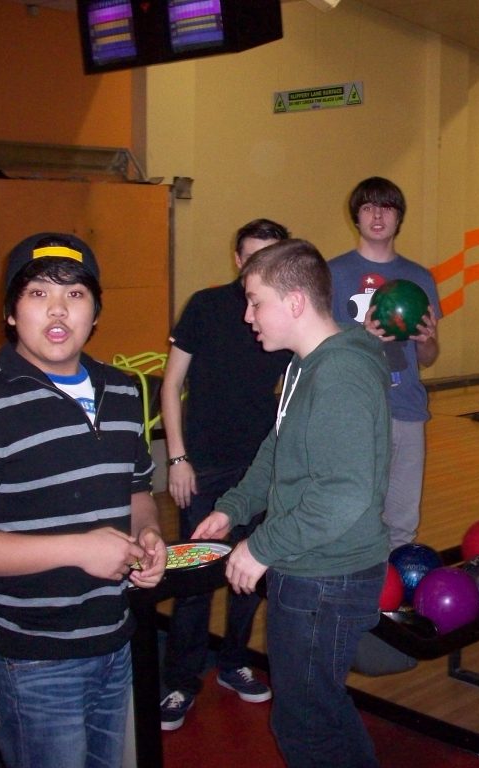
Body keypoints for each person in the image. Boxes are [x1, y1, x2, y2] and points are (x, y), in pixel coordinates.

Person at [0, 232, 167, 768]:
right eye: (38, 293)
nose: (58, 309)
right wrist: (78, 549)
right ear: (11, 313)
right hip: (30, 657)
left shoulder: (124, 391)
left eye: (75, 294)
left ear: (95, 312)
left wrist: (148, 532)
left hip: (114, 635)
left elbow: (136, 488)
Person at [193, 238, 391, 767]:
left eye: (255, 301)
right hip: (311, 567)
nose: (248, 316)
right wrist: (234, 507)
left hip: (327, 577)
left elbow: (343, 493)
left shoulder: (341, 373)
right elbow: (278, 446)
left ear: (296, 301)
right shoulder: (309, 364)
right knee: (317, 711)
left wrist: (261, 546)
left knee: (305, 723)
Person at [159, 218, 291, 730]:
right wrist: (177, 458)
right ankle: (180, 679)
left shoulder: (283, 315)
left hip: (260, 468)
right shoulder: (205, 305)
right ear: (237, 260)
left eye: (271, 256)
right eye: (252, 256)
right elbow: (171, 384)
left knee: (248, 571)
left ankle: (234, 661)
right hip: (203, 466)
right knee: (194, 580)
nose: (260, 265)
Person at [328, 176, 441, 549]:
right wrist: (362, 335)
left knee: (402, 526)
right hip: (353, 411)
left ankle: (391, 585)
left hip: (406, 408)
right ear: (356, 217)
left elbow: (428, 357)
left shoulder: (419, 277)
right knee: (353, 520)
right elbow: (319, 351)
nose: (377, 215)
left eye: (387, 207)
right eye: (368, 207)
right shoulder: (331, 274)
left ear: (399, 217)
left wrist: (426, 341)